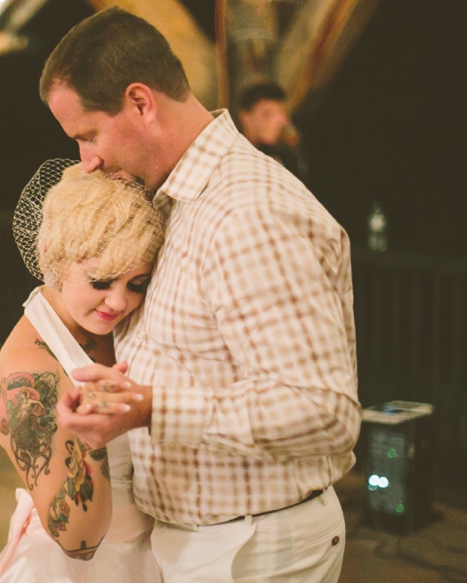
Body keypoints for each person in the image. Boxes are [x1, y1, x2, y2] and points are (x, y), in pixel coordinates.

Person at [40, 7, 360, 582]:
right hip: (208, 539)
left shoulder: (247, 211)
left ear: (141, 102)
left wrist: (153, 408)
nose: (85, 159)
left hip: (257, 544)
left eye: (88, 135)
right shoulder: (175, 198)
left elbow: (324, 410)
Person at [0, 159, 166, 582]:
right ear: (53, 256)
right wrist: (94, 435)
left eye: (136, 284)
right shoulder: (27, 372)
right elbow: (77, 542)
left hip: (155, 554)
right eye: (102, 281)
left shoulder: (115, 322)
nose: (119, 303)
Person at [237, 81, 307, 180]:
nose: (277, 122)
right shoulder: (237, 158)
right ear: (245, 118)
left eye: (281, 114)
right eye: (267, 114)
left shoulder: (284, 156)